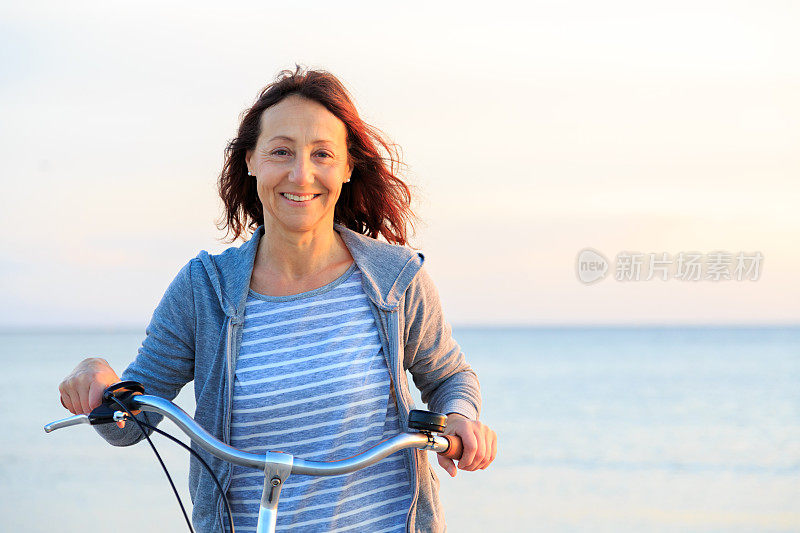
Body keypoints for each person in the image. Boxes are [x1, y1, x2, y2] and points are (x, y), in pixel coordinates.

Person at [58, 66, 497, 532]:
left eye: (322, 154)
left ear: (348, 168)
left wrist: (459, 418)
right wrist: (99, 382)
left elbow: (450, 375)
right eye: (281, 151)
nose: (301, 173)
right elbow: (130, 422)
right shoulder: (203, 288)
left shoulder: (395, 279)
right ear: (251, 161)